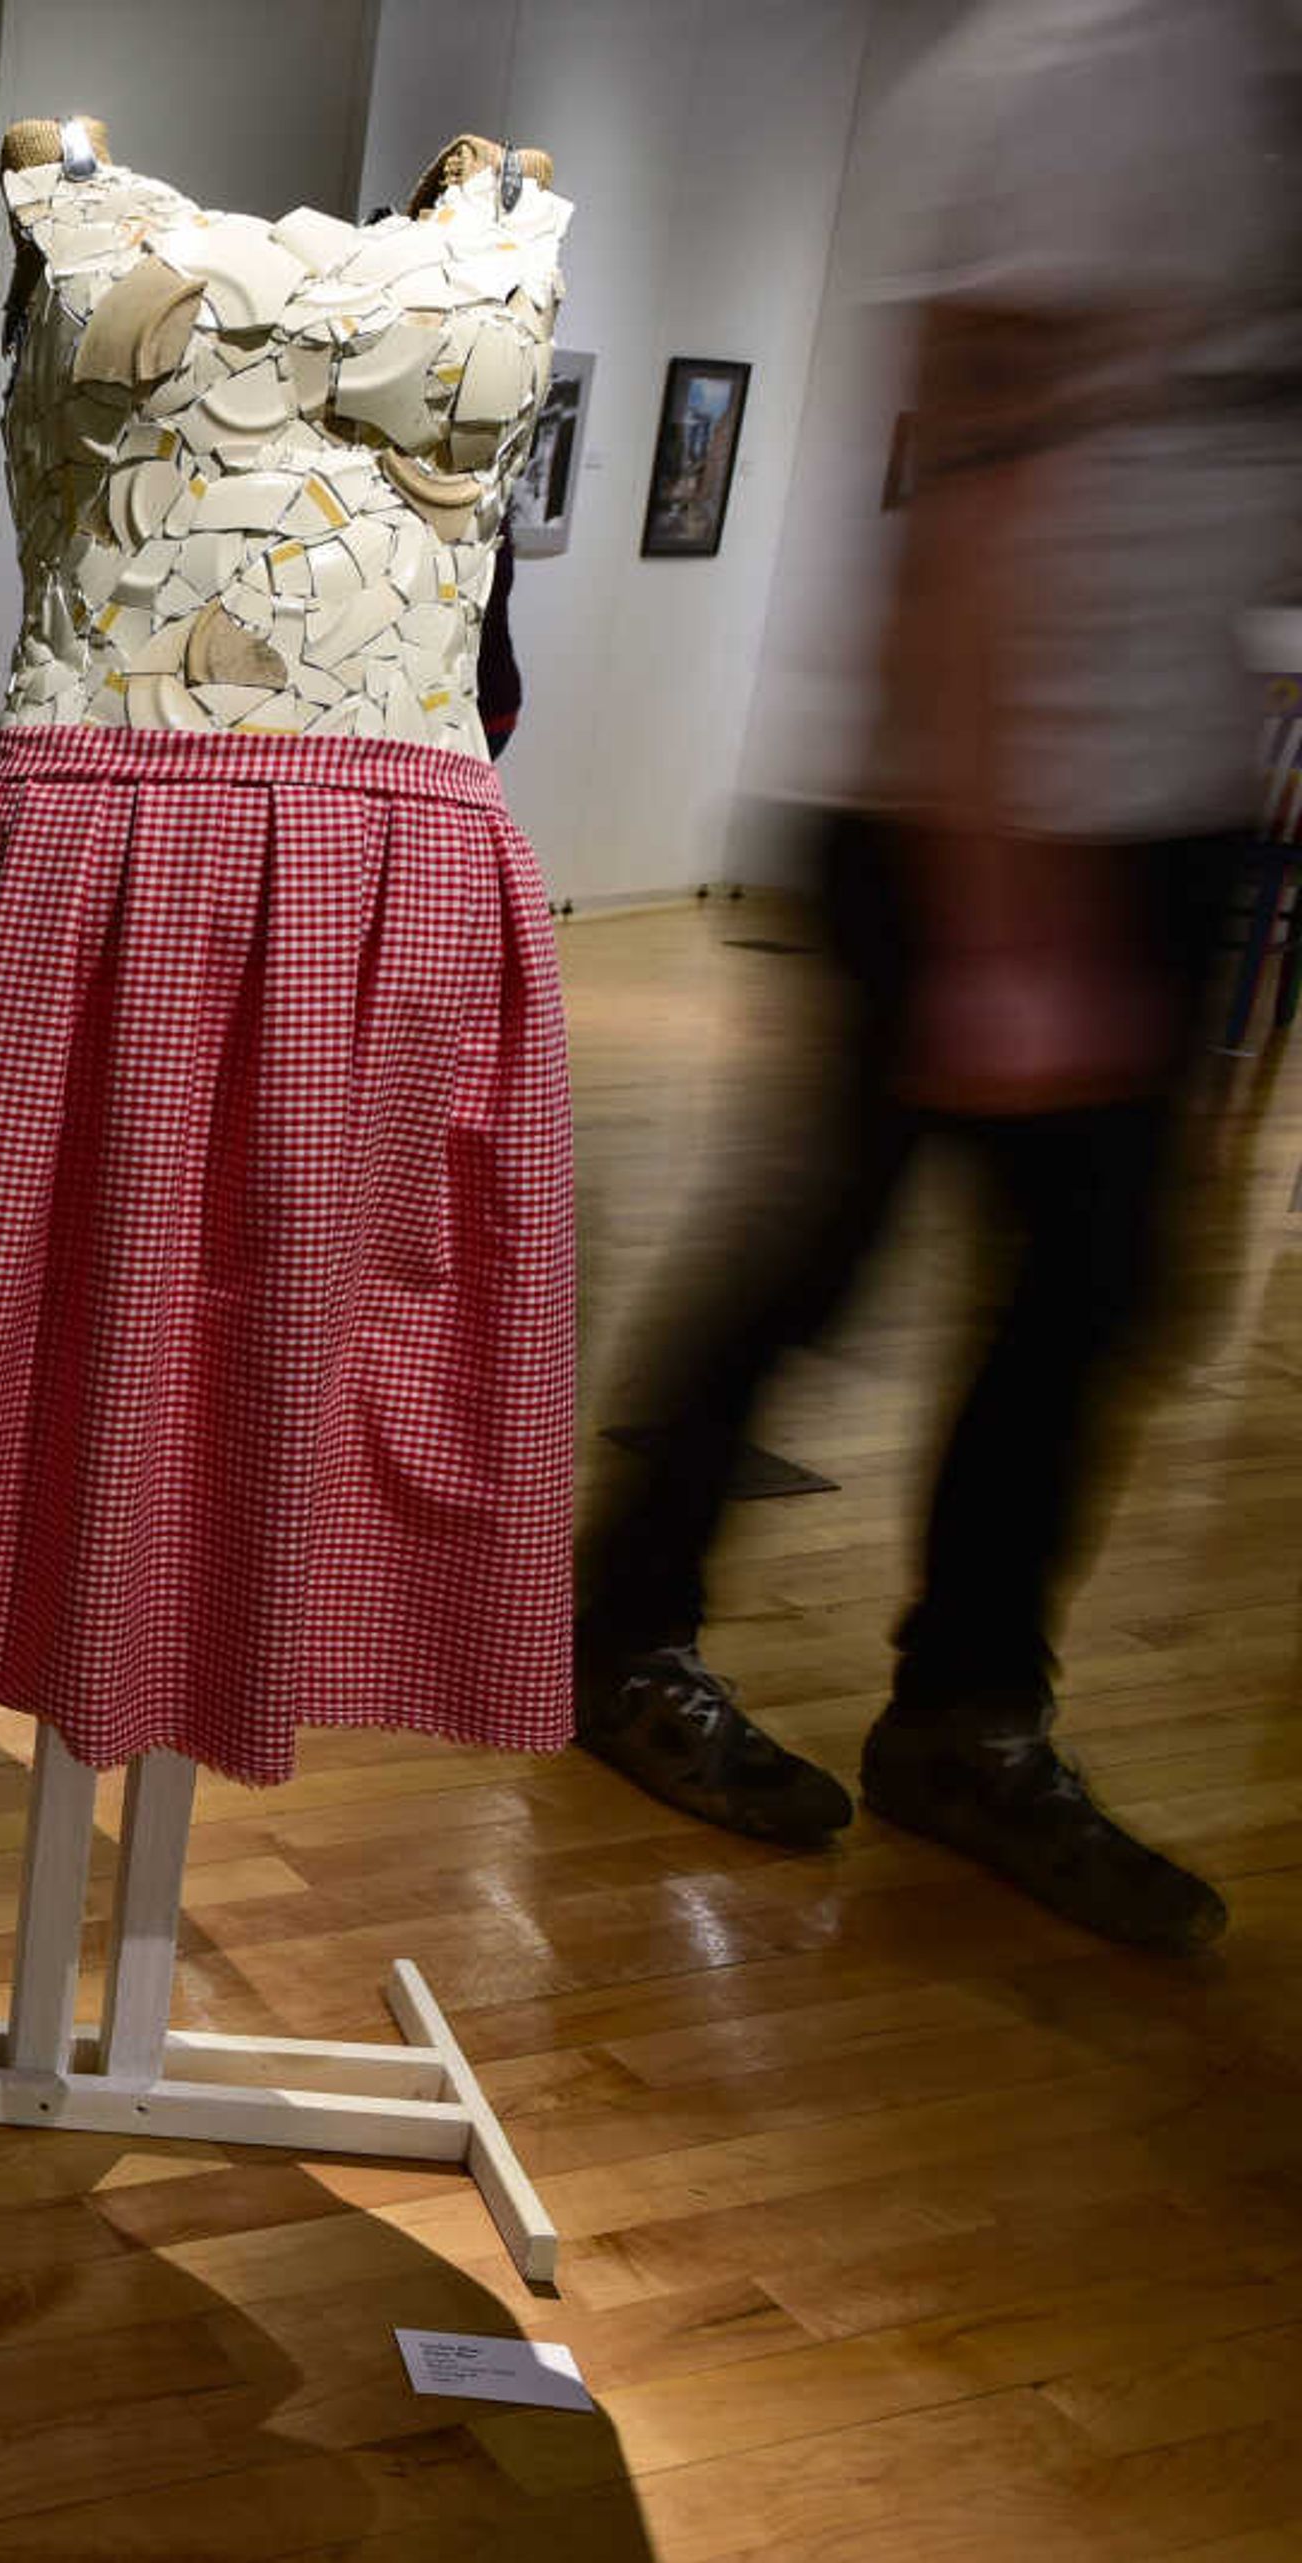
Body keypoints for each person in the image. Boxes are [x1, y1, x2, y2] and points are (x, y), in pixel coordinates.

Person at [571, 0, 1298, 1953]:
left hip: (1157, 812)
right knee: (823, 1252)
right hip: (977, 807)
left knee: (1097, 1295)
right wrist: (1005, 902)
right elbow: (973, 490)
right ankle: (623, 1630)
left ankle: (967, 1710)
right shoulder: (1101, 77)